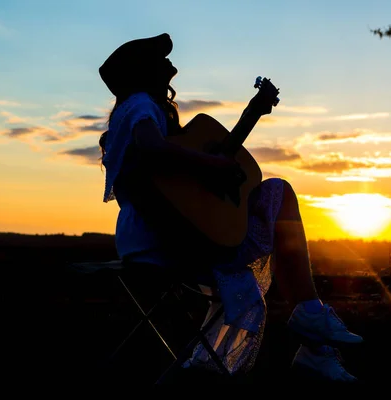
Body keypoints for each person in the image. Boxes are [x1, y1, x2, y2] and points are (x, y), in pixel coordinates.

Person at [98, 33, 363, 383]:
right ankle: (311, 327)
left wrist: (250, 116)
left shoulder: (136, 109)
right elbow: (152, 149)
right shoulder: (141, 105)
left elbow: (192, 168)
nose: (169, 64)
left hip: (156, 232)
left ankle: (313, 337)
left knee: (274, 197)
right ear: (143, 70)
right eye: (159, 58)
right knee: (278, 197)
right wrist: (212, 166)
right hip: (164, 238)